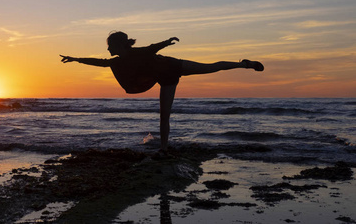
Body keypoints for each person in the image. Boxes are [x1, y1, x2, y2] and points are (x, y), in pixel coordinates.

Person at [60, 31, 264, 155]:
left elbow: (151, 48)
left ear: (119, 45)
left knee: (211, 67)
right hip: (167, 79)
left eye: (110, 46)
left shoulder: (134, 53)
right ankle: (164, 148)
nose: (108, 50)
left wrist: (167, 42)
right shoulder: (118, 61)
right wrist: (76, 59)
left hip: (174, 66)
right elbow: (100, 63)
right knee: (164, 115)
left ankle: (245, 64)